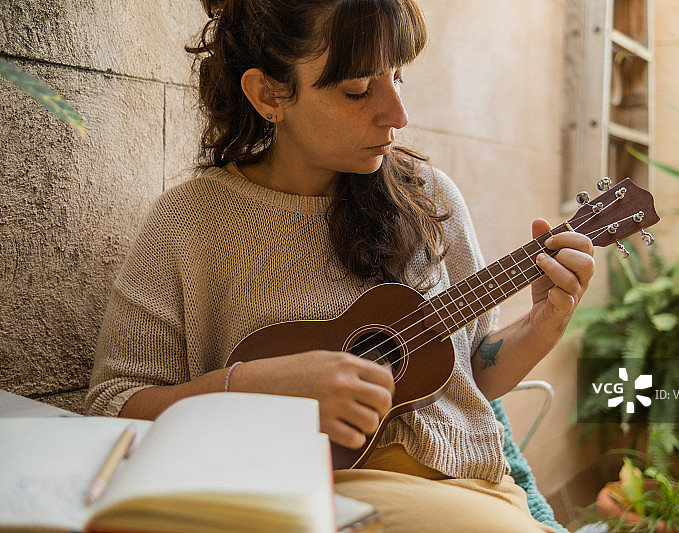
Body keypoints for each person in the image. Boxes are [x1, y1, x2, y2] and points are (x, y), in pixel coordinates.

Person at [86, 0, 594, 531]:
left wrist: (541, 327)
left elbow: (470, 378)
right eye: (357, 90)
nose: (398, 114)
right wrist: (250, 388)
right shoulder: (190, 224)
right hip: (313, 494)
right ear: (268, 95)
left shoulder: (429, 200)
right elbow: (110, 409)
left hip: (476, 488)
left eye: (398, 77)